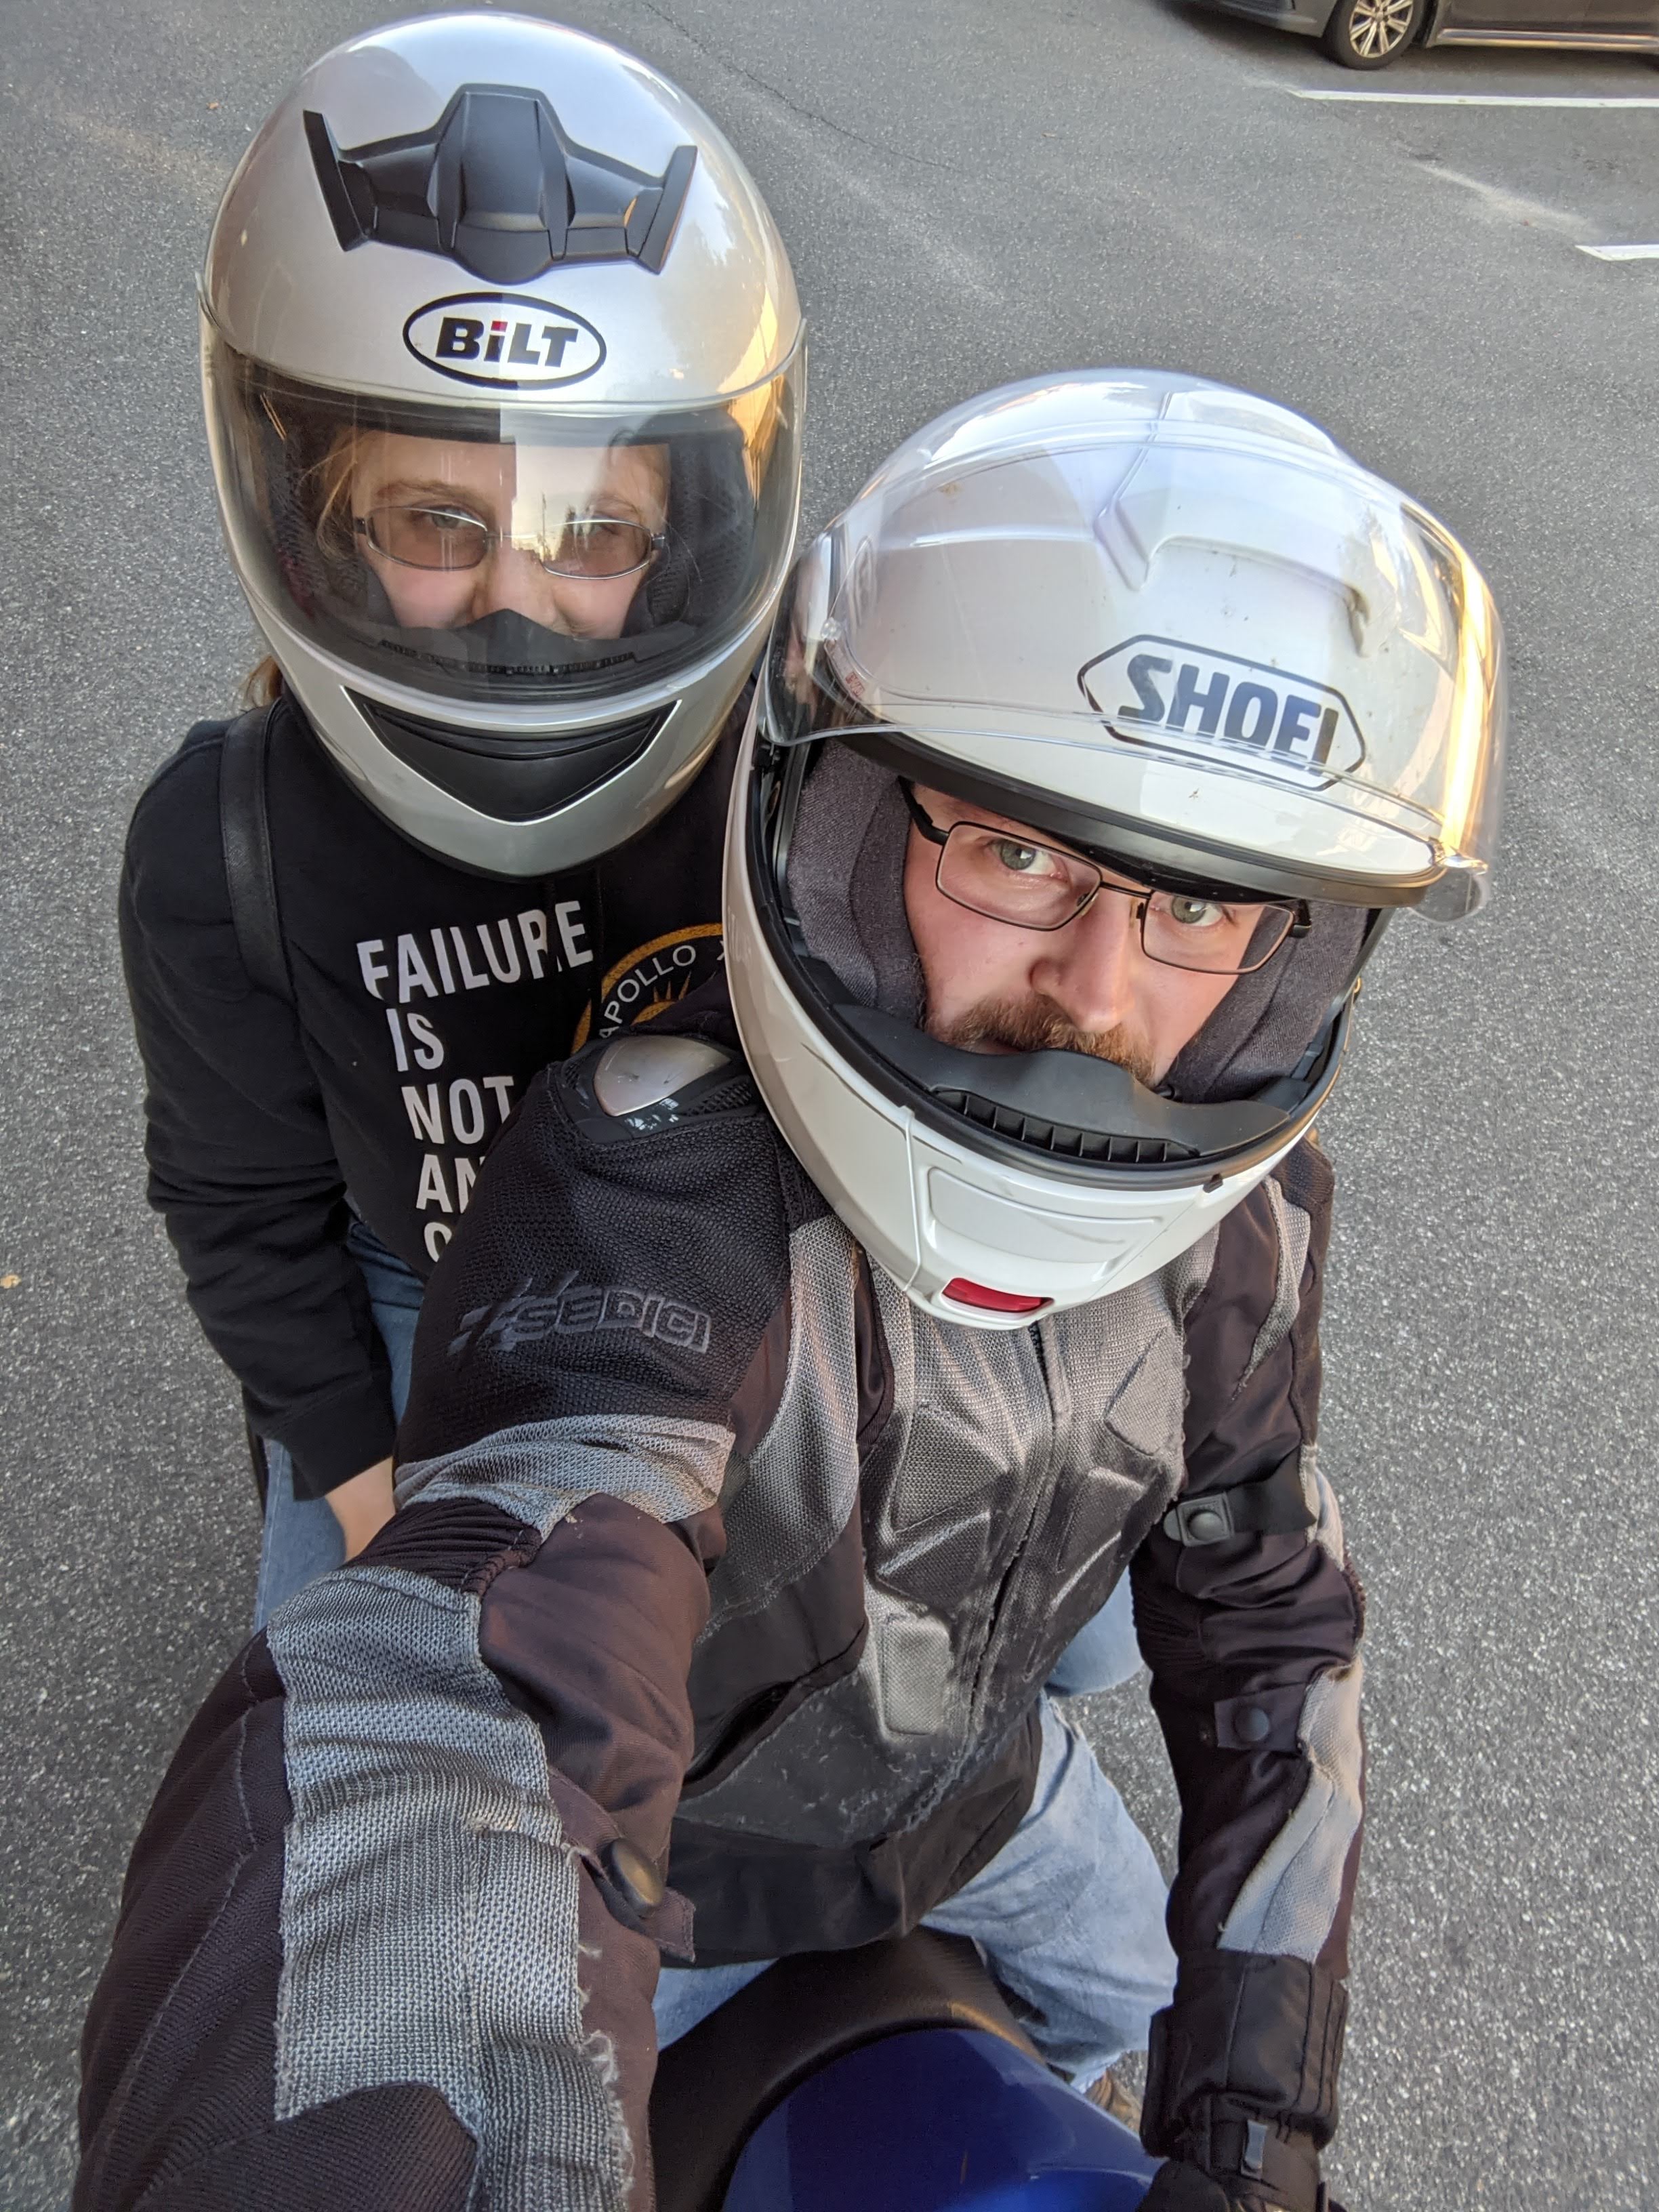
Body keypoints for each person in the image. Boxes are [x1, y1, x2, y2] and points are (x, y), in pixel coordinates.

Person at [77, 373, 1504, 2212]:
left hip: (970, 1802)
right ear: (842, 825)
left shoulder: (1250, 1220)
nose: (1089, 990)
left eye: (1198, 911)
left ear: (1289, 961)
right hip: (684, 1874)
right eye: (1014, 851)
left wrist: (1256, 2141)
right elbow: (470, 1687)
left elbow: (1276, 1629)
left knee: (1123, 1995)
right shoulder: (654, 1172)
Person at [118, 11, 804, 1614]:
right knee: (349, 1712)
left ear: (689, 531)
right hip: (416, 1284)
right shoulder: (226, 845)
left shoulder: (776, 764)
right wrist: (374, 1504)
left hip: (709, 1275)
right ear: (325, 523)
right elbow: (243, 1211)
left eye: (591, 529)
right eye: (438, 519)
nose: (513, 596)